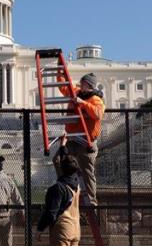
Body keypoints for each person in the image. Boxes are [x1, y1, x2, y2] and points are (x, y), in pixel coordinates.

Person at [55, 72, 105, 206]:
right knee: (58, 160)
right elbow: (64, 87)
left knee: (87, 172)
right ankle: (67, 189)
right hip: (72, 139)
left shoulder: (95, 99)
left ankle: (92, 202)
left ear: (88, 85)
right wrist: (59, 73)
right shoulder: (76, 92)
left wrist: (82, 103)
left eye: (82, 83)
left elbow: (98, 114)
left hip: (85, 142)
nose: (79, 84)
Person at [37, 148, 82, 246]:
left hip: (62, 228)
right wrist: (63, 147)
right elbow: (68, 163)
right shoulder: (76, 184)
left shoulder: (58, 188)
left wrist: (40, 228)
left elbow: (51, 212)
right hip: (75, 228)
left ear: (61, 168)